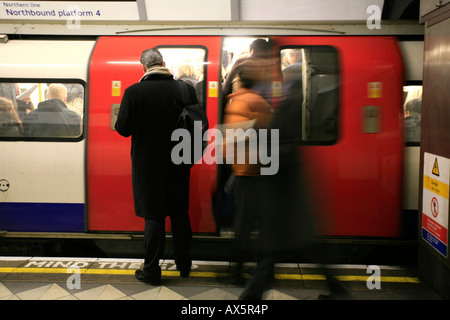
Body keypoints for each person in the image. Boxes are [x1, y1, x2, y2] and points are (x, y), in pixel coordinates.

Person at [115, 48, 197, 286]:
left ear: (144, 67)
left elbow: (123, 129)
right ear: (163, 63)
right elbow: (199, 124)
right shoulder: (186, 89)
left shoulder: (134, 92)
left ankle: (151, 271)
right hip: (179, 162)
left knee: (154, 218)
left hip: (148, 167)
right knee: (180, 214)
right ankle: (184, 265)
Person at [222, 59, 273, 289]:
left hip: (245, 172)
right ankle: (266, 269)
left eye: (234, 78)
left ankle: (236, 274)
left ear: (241, 80)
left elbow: (231, 140)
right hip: (262, 171)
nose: (231, 82)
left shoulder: (239, 103)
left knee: (242, 227)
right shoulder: (261, 102)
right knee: (263, 224)